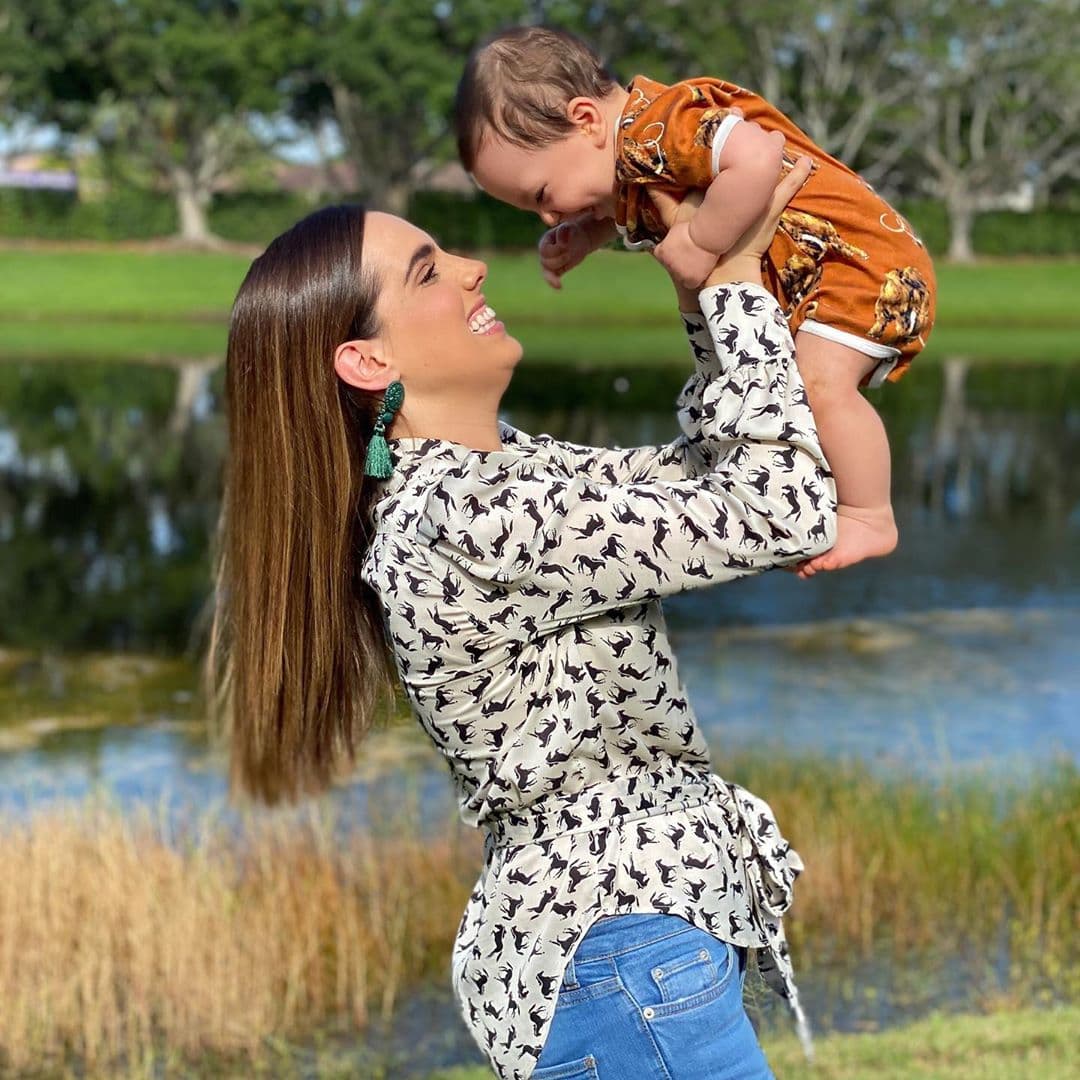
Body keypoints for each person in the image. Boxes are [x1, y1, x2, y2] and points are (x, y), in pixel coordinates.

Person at [206, 152, 833, 1080]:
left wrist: (699, 279)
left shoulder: (497, 478)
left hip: (626, 954)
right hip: (621, 955)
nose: (471, 268)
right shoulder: (469, 517)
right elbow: (784, 509)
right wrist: (736, 277)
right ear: (366, 360)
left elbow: (716, 480)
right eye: (427, 271)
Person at [455, 25, 936, 578]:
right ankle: (813, 496)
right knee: (792, 392)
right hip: (816, 272)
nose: (546, 215)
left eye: (541, 195)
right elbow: (639, 206)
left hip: (858, 262)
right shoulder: (630, 156)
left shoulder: (661, 124)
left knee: (822, 386)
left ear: (585, 120)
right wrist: (587, 235)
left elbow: (758, 156)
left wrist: (701, 240)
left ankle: (869, 513)